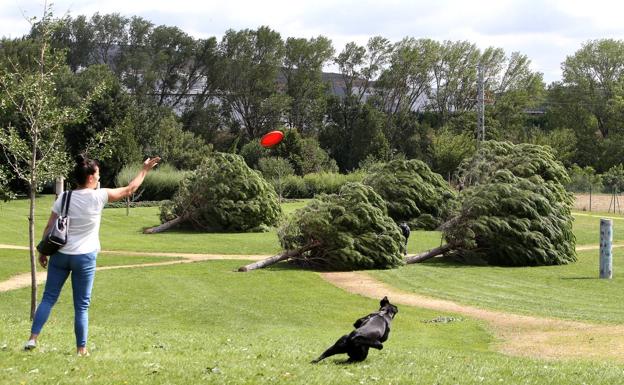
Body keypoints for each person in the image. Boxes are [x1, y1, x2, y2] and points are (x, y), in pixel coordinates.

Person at [24, 154, 160, 356]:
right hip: (84, 257)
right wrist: (145, 169)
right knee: (81, 306)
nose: (99, 177)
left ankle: (32, 339)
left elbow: (49, 227)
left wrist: (43, 252)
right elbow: (130, 189)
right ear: (89, 177)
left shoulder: (64, 197)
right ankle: (81, 350)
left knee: (48, 298)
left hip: (60, 255)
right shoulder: (99, 196)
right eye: (97, 174)